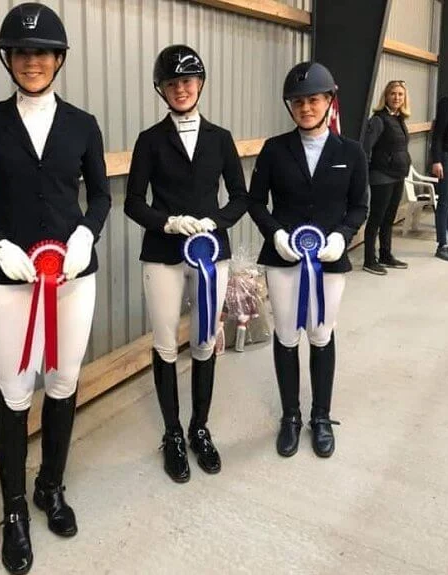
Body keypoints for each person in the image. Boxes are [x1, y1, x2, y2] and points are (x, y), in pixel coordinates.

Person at [0, 3, 110, 573]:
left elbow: (103, 196)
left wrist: (89, 234)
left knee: (63, 382)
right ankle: (14, 509)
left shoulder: (83, 124)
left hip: (71, 278)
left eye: (41, 53)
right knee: (15, 390)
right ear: (9, 60)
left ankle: (51, 487)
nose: (32, 61)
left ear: (58, 59)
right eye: (21, 52)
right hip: (11, 278)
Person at [124, 45, 247, 483]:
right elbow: (133, 203)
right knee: (163, 342)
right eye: (172, 83)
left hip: (211, 254)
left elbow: (240, 195)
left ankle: (200, 427)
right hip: (164, 254)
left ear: (200, 84)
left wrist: (216, 221)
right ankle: (172, 433)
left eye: (188, 81)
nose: (181, 88)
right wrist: (169, 222)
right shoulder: (150, 140)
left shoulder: (221, 138)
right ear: (162, 89)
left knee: (204, 339)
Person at [248, 62, 368, 458]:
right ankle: (290, 416)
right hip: (283, 259)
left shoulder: (350, 152)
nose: (305, 108)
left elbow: (359, 205)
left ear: (328, 101)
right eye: (297, 102)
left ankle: (320, 416)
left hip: (328, 261)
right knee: (286, 335)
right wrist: (276, 234)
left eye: (313, 100)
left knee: (321, 335)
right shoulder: (274, 149)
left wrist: (342, 237)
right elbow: (255, 201)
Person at [362, 80, 412, 274]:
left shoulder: (399, 119)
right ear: (386, 96)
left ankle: (385, 254)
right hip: (381, 176)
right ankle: (369, 259)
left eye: (400, 94)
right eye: (393, 94)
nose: (397, 97)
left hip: (398, 175)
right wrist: (364, 176)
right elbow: (366, 149)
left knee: (389, 217)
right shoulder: (378, 120)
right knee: (376, 217)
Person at [430, 86, 448, 261]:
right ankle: (442, 244)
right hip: (447, 156)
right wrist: (436, 160)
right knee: (445, 201)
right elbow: (438, 134)